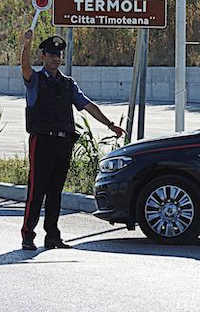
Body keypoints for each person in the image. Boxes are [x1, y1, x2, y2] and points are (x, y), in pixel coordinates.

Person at [20, 30, 124, 250]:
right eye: (50, 55)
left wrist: (109, 124)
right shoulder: (36, 80)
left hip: (62, 142)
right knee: (36, 191)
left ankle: (52, 236)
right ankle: (28, 235)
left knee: (55, 192)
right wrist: (26, 46)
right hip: (42, 141)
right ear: (43, 56)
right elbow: (25, 69)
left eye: (58, 55)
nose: (55, 58)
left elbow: (87, 105)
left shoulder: (68, 84)